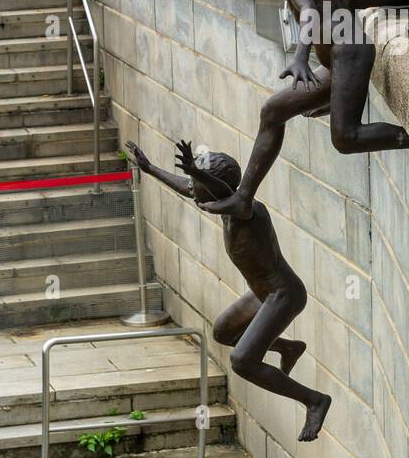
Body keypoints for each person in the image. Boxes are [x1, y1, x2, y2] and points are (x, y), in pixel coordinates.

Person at [199, 0, 409, 222]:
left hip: (348, 52)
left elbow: (311, 12)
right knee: (273, 112)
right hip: (337, 59)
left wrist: (300, 59)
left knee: (346, 138)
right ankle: (243, 197)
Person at [126, 139, 331, 442]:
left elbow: (221, 192)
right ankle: (288, 347)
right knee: (223, 332)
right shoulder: (223, 205)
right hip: (262, 294)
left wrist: (199, 171)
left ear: (217, 186)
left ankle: (314, 400)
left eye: (198, 183)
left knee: (242, 361)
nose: (193, 188)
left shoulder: (245, 209)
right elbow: (189, 187)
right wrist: (150, 168)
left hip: (283, 295)